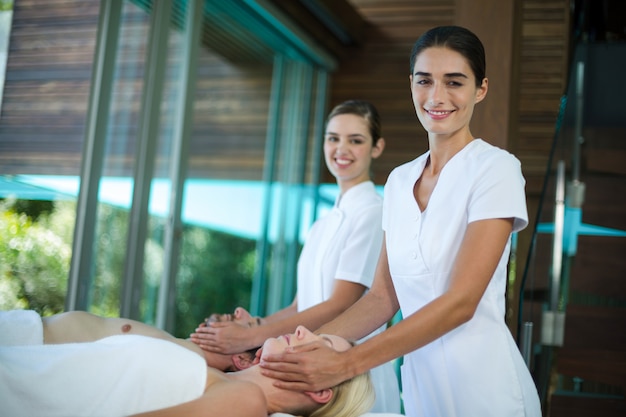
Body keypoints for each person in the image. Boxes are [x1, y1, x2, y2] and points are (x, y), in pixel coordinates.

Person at [258, 26, 543, 417]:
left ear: (481, 89)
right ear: (411, 84)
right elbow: (382, 297)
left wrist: (347, 363)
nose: (437, 97)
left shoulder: (496, 170)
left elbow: (461, 302)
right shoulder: (398, 181)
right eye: (425, 81)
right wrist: (300, 348)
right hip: (422, 390)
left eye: (454, 82)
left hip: (486, 387)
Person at [191, 99, 401, 413]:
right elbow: (299, 306)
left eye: (355, 140)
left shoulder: (372, 213)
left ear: (376, 147)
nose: (341, 149)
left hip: (349, 375)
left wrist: (253, 338)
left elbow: (341, 303)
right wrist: (251, 330)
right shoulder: (321, 224)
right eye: (333, 138)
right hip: (308, 370)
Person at [0, 319, 375, 417]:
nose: (300, 331)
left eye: (322, 344)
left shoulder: (244, 400)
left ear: (321, 388)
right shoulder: (219, 375)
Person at [0, 309, 257, 372]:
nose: (239, 311)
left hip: (25, 357)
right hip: (23, 333)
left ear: (243, 359)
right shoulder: (182, 350)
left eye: (253, 324)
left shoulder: (190, 367)